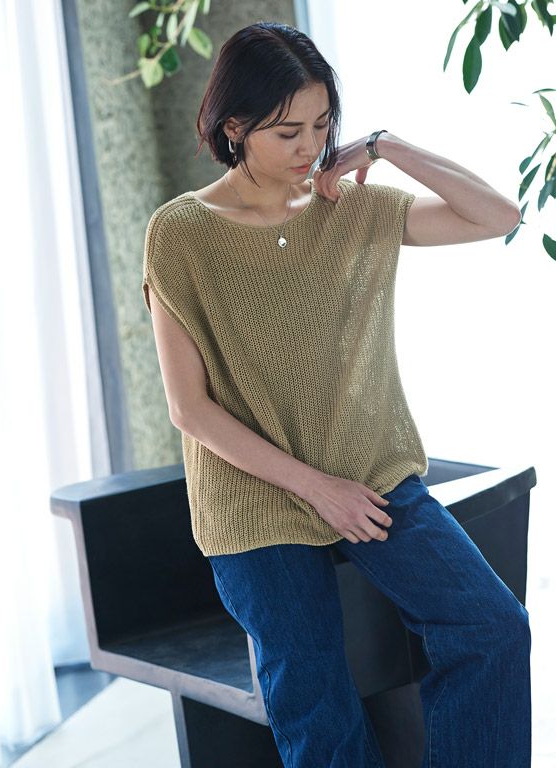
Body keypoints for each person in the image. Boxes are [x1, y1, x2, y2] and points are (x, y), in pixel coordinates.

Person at [141, 20, 531, 768]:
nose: (310, 146)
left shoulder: (351, 207)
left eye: (322, 125)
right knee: (315, 701)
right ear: (234, 128)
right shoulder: (182, 232)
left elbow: (498, 216)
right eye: (287, 131)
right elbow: (189, 409)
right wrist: (317, 490)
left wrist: (386, 147)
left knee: (494, 628)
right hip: (255, 498)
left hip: (371, 473)